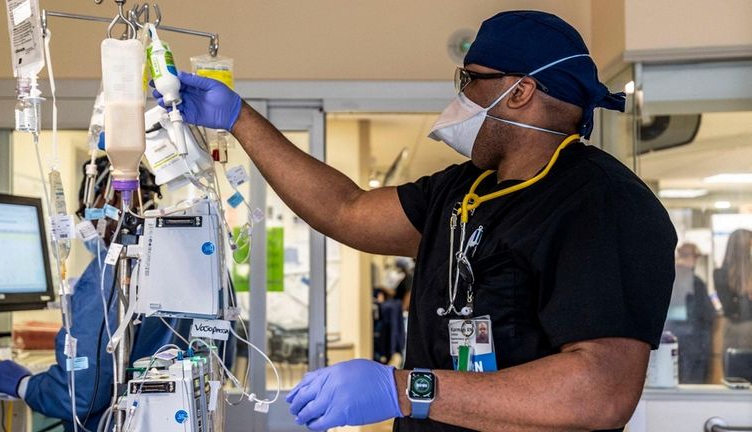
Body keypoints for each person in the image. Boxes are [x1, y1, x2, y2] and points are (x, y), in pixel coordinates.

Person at [153, 10, 676, 432]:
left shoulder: (602, 205)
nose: (459, 97)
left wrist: (404, 390)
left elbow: (600, 393)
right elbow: (345, 210)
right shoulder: (464, 188)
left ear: (519, 92)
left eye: (469, 80)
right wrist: (240, 119)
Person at [0, 157, 196, 431]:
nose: (88, 221)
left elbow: (78, 396)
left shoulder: (114, 270)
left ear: (112, 199)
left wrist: (24, 384)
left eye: (89, 208)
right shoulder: (190, 256)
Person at [664, 243, 715, 383]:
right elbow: (708, 314)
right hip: (692, 343)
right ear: (692, 258)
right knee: (691, 386)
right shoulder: (696, 282)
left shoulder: (667, 278)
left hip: (668, 339)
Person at [715, 229, 752, 356]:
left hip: (730, 329)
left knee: (733, 370)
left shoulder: (719, 274)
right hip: (741, 329)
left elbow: (729, 308)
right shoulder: (722, 275)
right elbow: (732, 308)